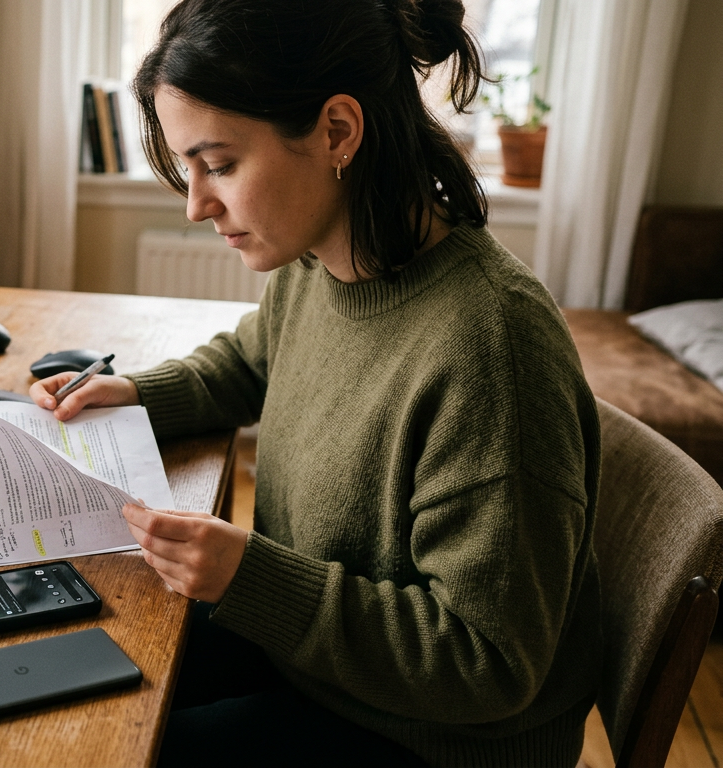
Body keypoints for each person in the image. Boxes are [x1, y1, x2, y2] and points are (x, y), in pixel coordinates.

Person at [30, 0, 601, 765]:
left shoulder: (489, 348)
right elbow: (249, 361)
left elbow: (486, 664)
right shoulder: (322, 262)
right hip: (319, 666)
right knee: (67, 656)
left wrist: (250, 576)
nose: (198, 205)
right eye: (188, 168)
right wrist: (135, 392)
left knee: (96, 750)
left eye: (221, 165)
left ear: (337, 131)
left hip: (427, 738)